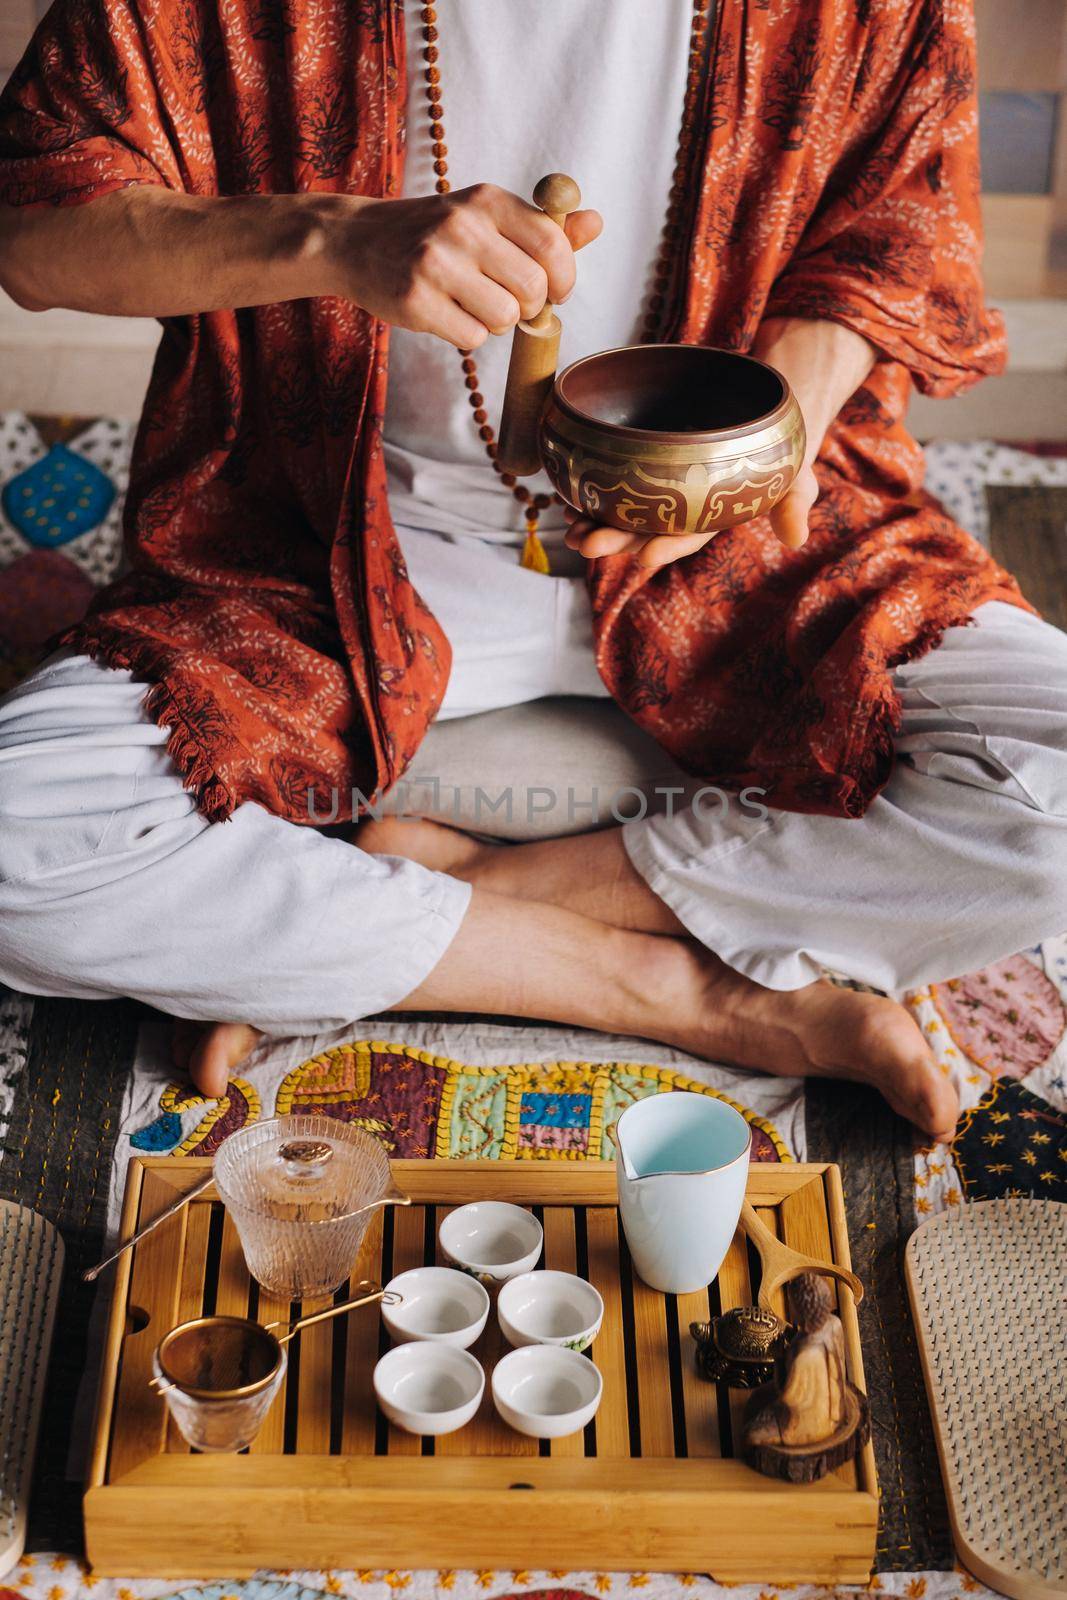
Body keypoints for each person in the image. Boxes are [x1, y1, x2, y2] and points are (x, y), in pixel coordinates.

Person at [0, 0, 1064, 1147]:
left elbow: (898, 231)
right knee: (23, 844)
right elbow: (31, 227)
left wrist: (774, 427)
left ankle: (433, 899)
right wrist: (326, 237)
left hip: (752, 535)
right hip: (330, 536)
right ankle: (685, 993)